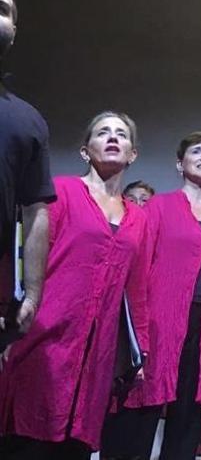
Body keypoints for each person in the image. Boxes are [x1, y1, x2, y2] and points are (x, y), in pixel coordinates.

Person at [0, 111, 147, 459]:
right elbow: (21, 255)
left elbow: (137, 288)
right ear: (85, 150)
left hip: (97, 353)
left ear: (133, 154)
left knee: (74, 445)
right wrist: (8, 319)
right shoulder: (62, 192)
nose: (113, 138)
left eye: (121, 134)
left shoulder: (139, 217)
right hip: (44, 337)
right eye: (102, 132)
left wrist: (140, 352)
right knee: (27, 439)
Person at [101, 131, 201, 460]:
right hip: (159, 320)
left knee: (189, 409)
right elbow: (138, 266)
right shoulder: (157, 207)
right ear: (180, 163)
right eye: (196, 151)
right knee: (144, 398)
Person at [0, 0, 56, 341]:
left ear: (13, 33)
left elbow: (35, 211)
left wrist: (32, 294)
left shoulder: (28, 121)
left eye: (3, 10)